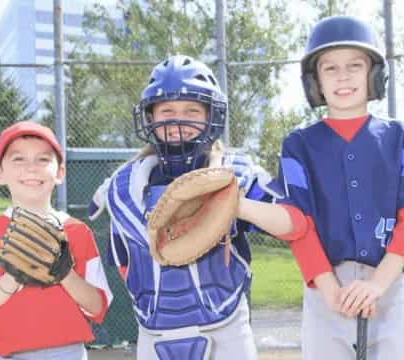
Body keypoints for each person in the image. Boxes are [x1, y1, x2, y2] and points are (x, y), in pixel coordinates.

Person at [88, 55, 310, 360]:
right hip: (153, 333)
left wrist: (235, 204)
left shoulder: (235, 172)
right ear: (150, 118)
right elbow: (125, 266)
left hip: (225, 329)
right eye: (167, 110)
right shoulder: (123, 187)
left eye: (192, 110)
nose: (179, 120)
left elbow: (294, 225)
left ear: (211, 116)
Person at [278, 15, 404, 360]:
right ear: (314, 80)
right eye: (330, 68)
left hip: (387, 279)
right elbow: (298, 224)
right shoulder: (298, 145)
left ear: (373, 74)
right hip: (323, 284)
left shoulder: (403, 138)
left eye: (355, 65)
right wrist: (330, 290)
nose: (343, 76)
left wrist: (378, 283)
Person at [0, 121, 113, 359]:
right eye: (18, 159)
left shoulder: (77, 232)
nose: (31, 168)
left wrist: (64, 274)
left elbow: (98, 306)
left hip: (68, 353)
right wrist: (13, 277)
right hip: (9, 354)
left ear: (60, 172)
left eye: (43, 159)